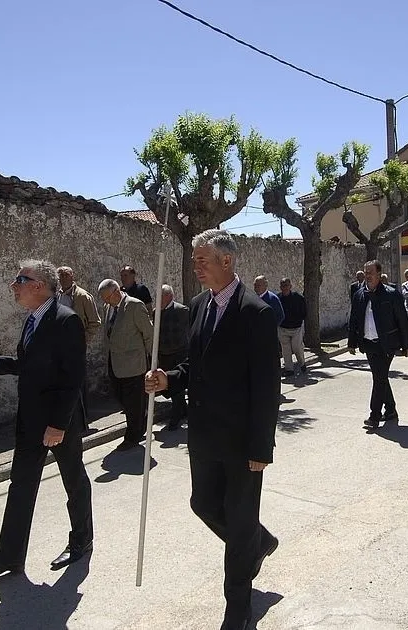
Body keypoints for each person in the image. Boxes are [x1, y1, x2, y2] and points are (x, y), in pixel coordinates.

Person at [145, 229, 280, 630]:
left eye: (203, 259)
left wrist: (261, 448)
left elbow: (267, 386)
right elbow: (195, 366)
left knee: (238, 523)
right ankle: (259, 542)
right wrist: (168, 379)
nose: (196, 266)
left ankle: (237, 608)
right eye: (194, 260)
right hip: (203, 436)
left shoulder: (256, 312)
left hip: (241, 442)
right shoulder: (200, 305)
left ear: (228, 261)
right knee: (203, 504)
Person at [0, 259, 93, 578]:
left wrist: (59, 424)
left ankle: (81, 541)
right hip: (30, 420)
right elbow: (29, 365)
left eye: (19, 280)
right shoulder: (30, 321)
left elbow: (73, 378)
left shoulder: (67, 321)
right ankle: (9, 558)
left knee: (73, 480)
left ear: (38, 285)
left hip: (58, 422)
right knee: (20, 485)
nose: (14, 285)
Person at [347, 260, 408, 431]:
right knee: (381, 377)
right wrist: (352, 342)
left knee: (378, 378)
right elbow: (354, 319)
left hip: (386, 344)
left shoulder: (392, 294)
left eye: (371, 272)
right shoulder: (359, 295)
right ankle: (390, 410)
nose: (367, 276)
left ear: (379, 274)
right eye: (365, 272)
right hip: (368, 343)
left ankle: (374, 416)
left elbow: (402, 320)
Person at [98, 279, 154, 450]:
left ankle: (133, 436)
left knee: (133, 403)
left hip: (134, 364)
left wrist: (153, 361)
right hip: (115, 363)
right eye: (104, 299)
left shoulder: (134, 306)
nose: (105, 301)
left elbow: (149, 334)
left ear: (116, 292)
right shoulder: (109, 307)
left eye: (107, 297)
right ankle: (139, 423)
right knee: (121, 398)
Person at [153, 284, 190, 430]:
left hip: (179, 353)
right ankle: (184, 410)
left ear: (169, 297)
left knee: (177, 387)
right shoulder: (156, 312)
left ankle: (176, 414)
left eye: (161, 296)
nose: (158, 300)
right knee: (168, 386)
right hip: (164, 354)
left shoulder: (182, 311)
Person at [56, 266, 101, 343]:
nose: (64, 278)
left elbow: (95, 322)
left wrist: (83, 338)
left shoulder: (83, 296)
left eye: (66, 275)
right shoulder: (57, 296)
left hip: (76, 341)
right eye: (61, 275)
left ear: (72, 277)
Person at [277, 278, 307, 376]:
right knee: (286, 349)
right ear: (280, 287)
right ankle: (289, 369)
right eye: (283, 286)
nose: (284, 287)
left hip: (296, 328)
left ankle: (302, 363)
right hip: (283, 328)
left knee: (297, 347)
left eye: (286, 285)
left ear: (290, 286)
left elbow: (304, 311)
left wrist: (299, 320)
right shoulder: (278, 298)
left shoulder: (298, 298)